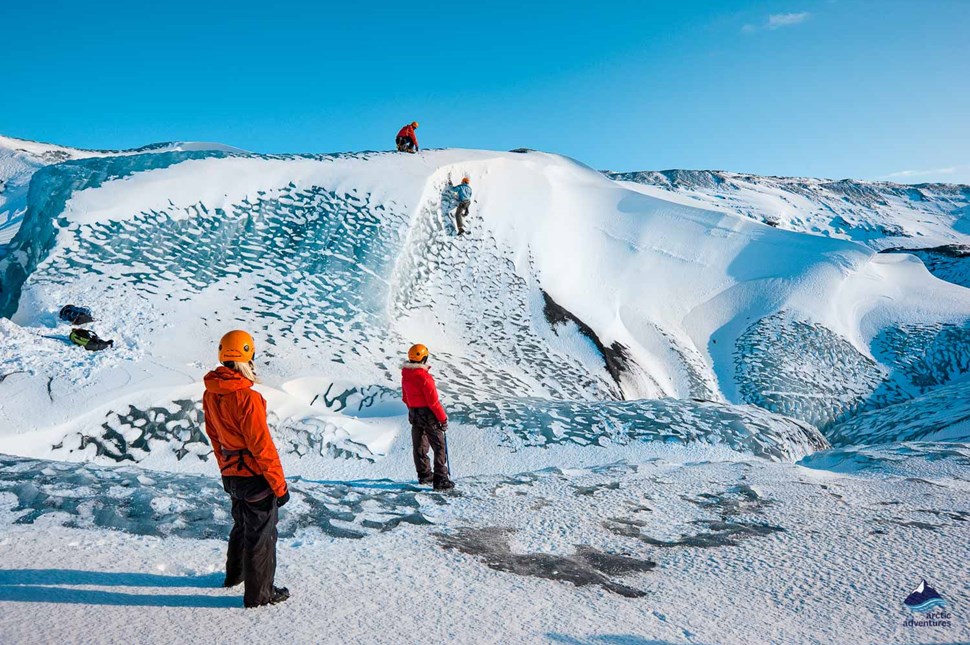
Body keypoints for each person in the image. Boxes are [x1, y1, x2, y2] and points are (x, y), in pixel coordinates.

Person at [202, 330, 291, 608]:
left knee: (241, 527)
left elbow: (214, 437)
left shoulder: (211, 393)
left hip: (232, 476)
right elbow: (262, 448)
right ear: (248, 356)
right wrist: (280, 486)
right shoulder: (247, 398)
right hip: (255, 477)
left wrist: (226, 470)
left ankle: (234, 577)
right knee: (262, 536)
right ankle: (260, 595)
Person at [401, 343, 454, 491]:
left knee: (419, 445)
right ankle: (441, 480)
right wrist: (443, 419)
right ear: (424, 358)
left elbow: (405, 398)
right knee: (439, 446)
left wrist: (414, 410)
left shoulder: (406, 375)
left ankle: (424, 475)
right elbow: (433, 402)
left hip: (414, 413)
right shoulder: (424, 377)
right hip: (428, 415)